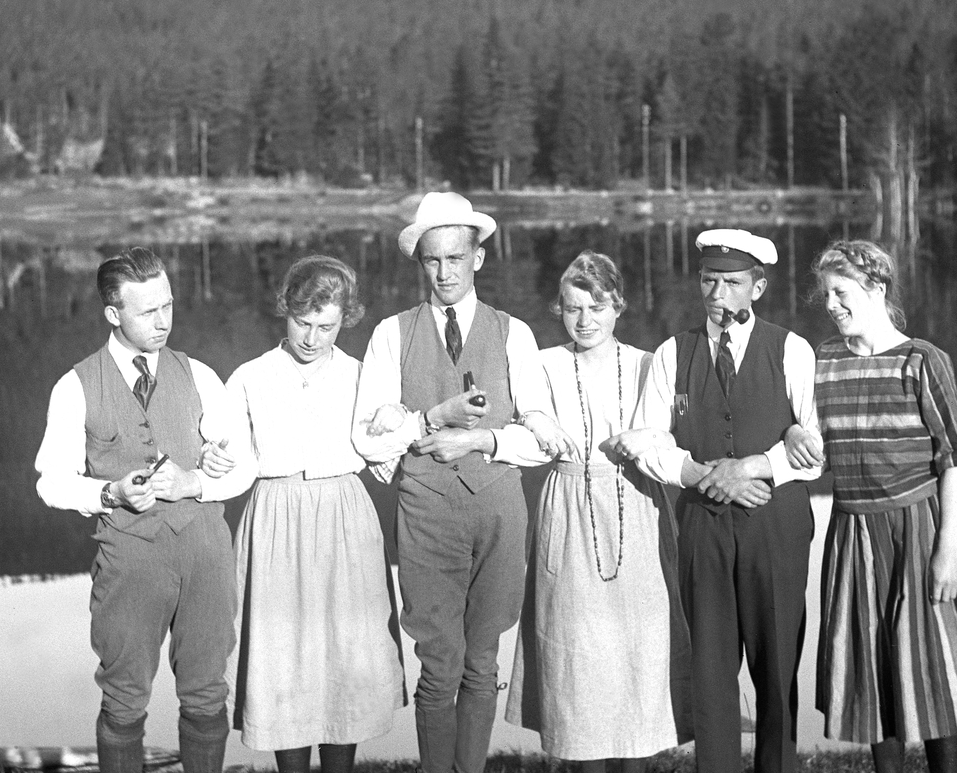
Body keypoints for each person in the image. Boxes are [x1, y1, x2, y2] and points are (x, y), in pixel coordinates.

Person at [352, 191, 569, 773]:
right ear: (419, 263)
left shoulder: (513, 333)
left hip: (499, 511)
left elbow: (540, 440)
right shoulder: (390, 335)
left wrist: (483, 439)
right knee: (439, 659)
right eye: (432, 261)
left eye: (455, 258)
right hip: (425, 513)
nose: (444, 273)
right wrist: (428, 420)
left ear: (478, 258)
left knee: (482, 658)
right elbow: (366, 441)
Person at [784, 239, 957, 773]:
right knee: (873, 666)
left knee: (931, 665)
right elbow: (806, 436)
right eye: (826, 296)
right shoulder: (824, 362)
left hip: (920, 529)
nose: (832, 305)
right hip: (854, 533)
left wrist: (947, 551)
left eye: (842, 293)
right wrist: (794, 429)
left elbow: (954, 457)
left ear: (876, 289)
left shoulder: (921, 360)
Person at [35, 247, 255, 773]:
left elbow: (246, 467)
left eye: (169, 306)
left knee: (206, 695)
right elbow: (52, 482)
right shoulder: (75, 386)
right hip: (130, 562)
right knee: (124, 700)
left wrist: (197, 481)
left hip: (205, 554)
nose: (163, 322)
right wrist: (109, 493)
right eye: (147, 311)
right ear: (113, 314)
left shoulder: (199, 374)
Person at [200, 255, 406, 773]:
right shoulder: (249, 377)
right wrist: (209, 456)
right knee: (282, 660)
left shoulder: (364, 376)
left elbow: (386, 458)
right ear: (285, 311)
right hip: (274, 522)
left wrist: (395, 423)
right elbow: (230, 459)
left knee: (345, 657)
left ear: (346, 320)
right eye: (302, 322)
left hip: (345, 520)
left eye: (327, 326)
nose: (312, 338)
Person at [628, 228, 822, 773]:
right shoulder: (673, 352)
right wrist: (693, 473)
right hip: (701, 524)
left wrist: (753, 468)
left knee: (777, 662)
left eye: (732, 283)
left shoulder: (791, 349)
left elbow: (816, 447)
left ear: (757, 287)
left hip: (776, 524)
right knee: (710, 671)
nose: (718, 294)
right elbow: (648, 439)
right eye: (709, 281)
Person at [505, 251, 693, 770]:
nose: (585, 320)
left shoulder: (647, 364)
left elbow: (669, 436)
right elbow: (528, 421)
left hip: (636, 506)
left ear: (619, 307)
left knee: (637, 651)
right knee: (578, 654)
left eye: (597, 307)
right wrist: (537, 420)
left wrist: (653, 437)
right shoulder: (540, 364)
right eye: (572, 308)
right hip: (567, 508)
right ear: (559, 310)